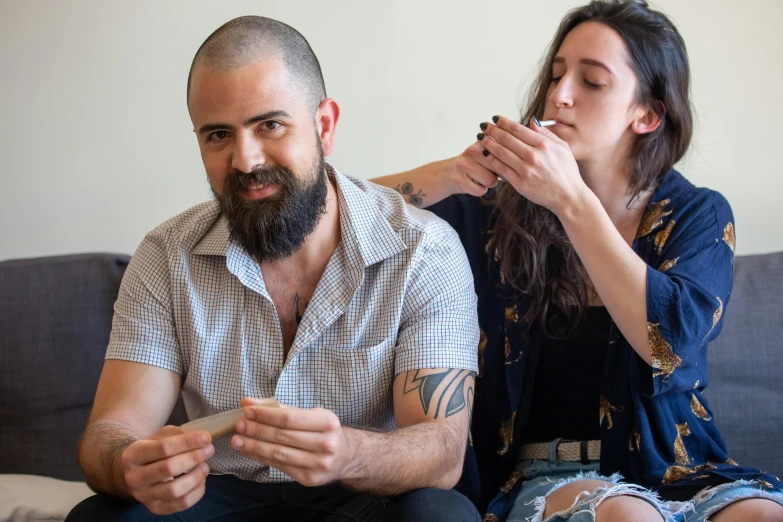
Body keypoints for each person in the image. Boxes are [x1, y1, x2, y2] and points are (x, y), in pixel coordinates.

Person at [371, 1, 783, 520]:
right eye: (557, 75)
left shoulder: (697, 214)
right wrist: (449, 175)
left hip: (684, 471)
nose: (560, 96)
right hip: (552, 477)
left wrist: (572, 202)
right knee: (628, 516)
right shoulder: (500, 217)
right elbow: (335, 211)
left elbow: (670, 347)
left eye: (592, 81)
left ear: (648, 114)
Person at [66, 15, 481, 522]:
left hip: (366, 496)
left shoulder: (424, 250)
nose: (245, 160)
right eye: (219, 134)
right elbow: (111, 432)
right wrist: (128, 465)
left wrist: (348, 452)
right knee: (99, 515)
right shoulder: (166, 254)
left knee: (440, 515)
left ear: (324, 125)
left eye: (270, 124)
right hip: (220, 494)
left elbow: (441, 453)